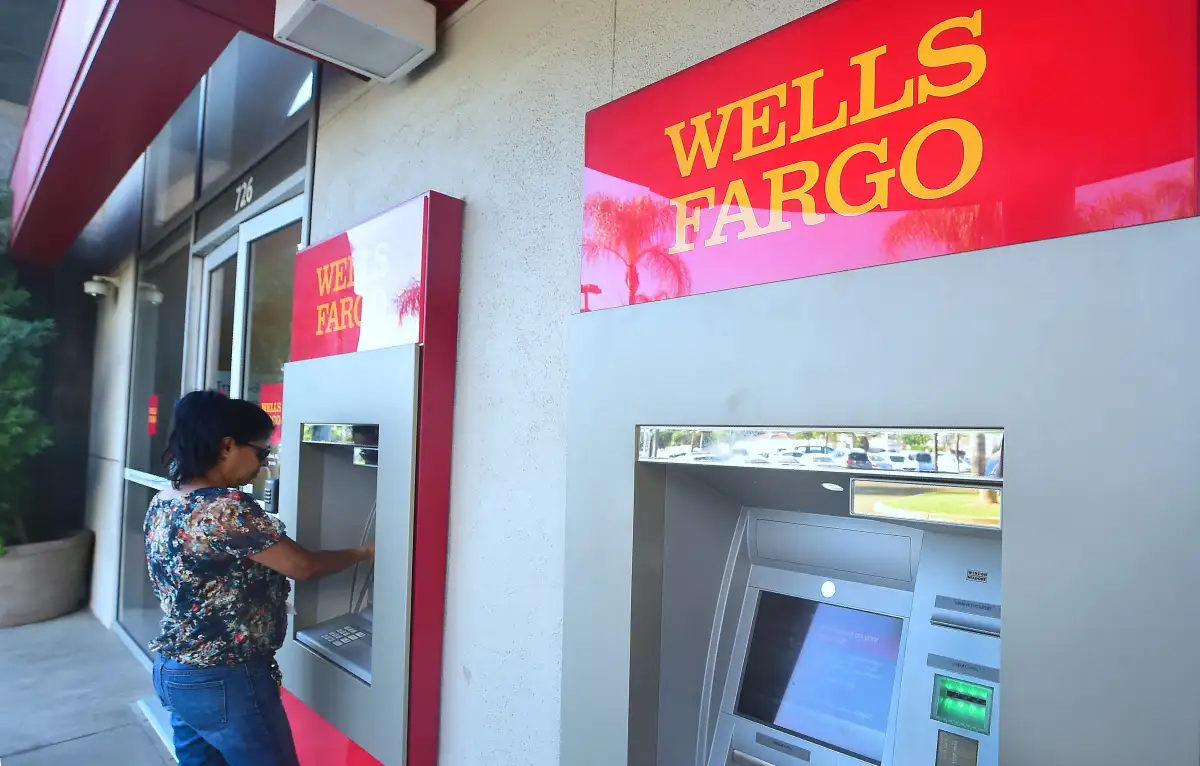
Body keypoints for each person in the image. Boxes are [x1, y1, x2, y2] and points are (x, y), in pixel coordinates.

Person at [146, 390, 373, 766]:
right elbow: (302, 566)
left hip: (176, 671)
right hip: (225, 677)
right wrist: (363, 553)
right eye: (261, 452)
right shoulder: (225, 509)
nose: (264, 463)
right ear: (226, 446)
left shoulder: (166, 499)